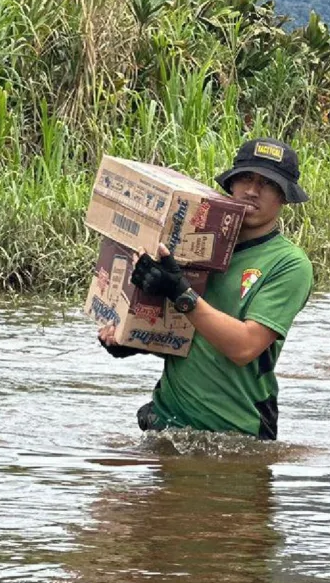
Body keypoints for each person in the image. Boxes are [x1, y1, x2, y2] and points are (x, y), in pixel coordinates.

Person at [98, 138, 315, 439]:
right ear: (231, 184)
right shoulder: (194, 245)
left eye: (268, 184)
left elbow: (244, 347)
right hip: (165, 422)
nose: (252, 190)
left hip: (235, 432)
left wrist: (180, 293)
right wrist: (127, 341)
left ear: (284, 198)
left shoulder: (289, 264)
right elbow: (180, 335)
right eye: (246, 179)